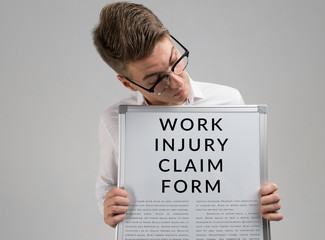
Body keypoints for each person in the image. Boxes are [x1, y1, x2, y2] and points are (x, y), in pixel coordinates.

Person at [92, 1, 283, 228]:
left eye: (175, 61)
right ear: (127, 84)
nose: (176, 82)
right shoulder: (115, 121)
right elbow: (106, 187)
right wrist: (109, 204)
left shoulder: (230, 102)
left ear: (172, 41)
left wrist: (262, 200)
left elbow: (246, 180)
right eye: (156, 80)